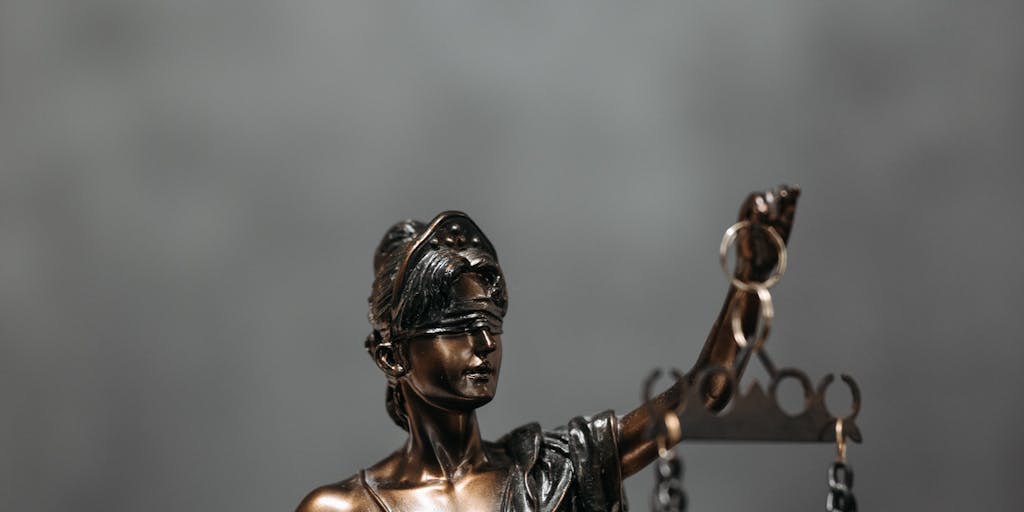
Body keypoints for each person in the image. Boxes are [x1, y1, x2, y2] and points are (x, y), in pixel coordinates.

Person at [297, 187, 799, 512]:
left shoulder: (552, 473)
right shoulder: (344, 508)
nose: (486, 344)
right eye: (457, 327)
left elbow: (698, 400)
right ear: (392, 356)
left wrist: (748, 285)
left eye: (491, 323)